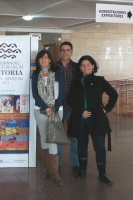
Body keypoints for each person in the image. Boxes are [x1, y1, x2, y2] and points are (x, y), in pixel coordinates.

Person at [67, 55, 118, 185]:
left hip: (97, 119)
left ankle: (102, 174)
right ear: (80, 67)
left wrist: (106, 109)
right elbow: (70, 100)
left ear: (93, 66)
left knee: (99, 147)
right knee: (81, 146)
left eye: (89, 65)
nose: (86, 67)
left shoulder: (100, 81)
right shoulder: (75, 82)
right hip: (80, 119)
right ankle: (82, 170)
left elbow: (114, 94)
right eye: (83, 65)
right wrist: (80, 110)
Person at [32, 50, 65, 186]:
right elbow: (35, 93)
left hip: (57, 110)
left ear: (50, 60)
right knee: (44, 139)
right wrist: (46, 107)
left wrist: (54, 108)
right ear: (38, 61)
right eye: (41, 58)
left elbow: (61, 92)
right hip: (40, 110)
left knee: (53, 140)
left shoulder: (57, 73)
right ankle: (47, 169)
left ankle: (55, 172)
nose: (44, 60)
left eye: (46, 57)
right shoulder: (35, 74)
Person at [56, 41, 80, 174]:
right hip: (58, 107)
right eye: (63, 50)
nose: (65, 52)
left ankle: (75, 163)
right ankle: (57, 163)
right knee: (58, 136)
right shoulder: (53, 67)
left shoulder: (77, 68)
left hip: (73, 108)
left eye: (68, 50)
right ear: (60, 52)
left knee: (74, 136)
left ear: (71, 52)